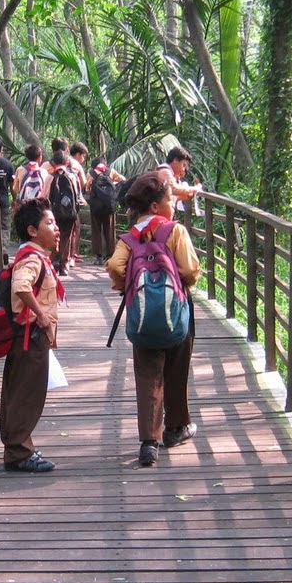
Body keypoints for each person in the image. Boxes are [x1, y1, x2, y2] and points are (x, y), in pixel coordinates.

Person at [108, 171, 201, 468]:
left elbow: (113, 266)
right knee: (177, 367)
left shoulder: (129, 238)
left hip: (143, 314)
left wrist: (128, 285)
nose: (173, 203)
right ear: (154, 206)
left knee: (148, 373)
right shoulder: (174, 231)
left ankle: (149, 441)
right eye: (169, 199)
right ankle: (176, 428)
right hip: (177, 311)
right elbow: (189, 269)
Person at [1, 198, 63, 474]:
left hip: (26, 335)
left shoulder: (35, 256)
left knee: (19, 391)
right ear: (32, 231)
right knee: (27, 394)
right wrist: (39, 314)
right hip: (30, 335)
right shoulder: (32, 259)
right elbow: (21, 285)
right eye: (49, 223)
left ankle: (17, 446)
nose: (56, 227)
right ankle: (19, 452)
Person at [45, 146, 83, 276]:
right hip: (69, 214)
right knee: (66, 236)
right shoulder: (73, 177)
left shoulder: (50, 178)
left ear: (54, 164)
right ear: (67, 163)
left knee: (53, 235)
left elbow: (45, 196)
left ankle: (54, 260)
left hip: (53, 213)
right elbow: (78, 196)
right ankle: (64, 264)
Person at [86, 152, 126, 261]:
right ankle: (110, 255)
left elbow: (87, 188)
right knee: (109, 230)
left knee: (96, 230)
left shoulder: (91, 174)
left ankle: (98, 256)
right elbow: (123, 179)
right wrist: (114, 189)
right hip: (109, 206)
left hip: (95, 207)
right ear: (105, 164)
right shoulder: (110, 172)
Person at [157, 146, 202, 216]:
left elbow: (176, 196)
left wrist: (191, 193)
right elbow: (174, 189)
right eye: (183, 165)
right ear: (175, 160)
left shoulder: (169, 173)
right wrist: (195, 188)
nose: (183, 169)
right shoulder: (165, 171)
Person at [13, 143, 48, 208]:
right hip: (39, 206)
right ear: (40, 158)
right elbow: (46, 190)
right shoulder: (44, 172)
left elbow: (15, 189)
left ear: (27, 157)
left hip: (24, 206)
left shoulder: (20, 170)